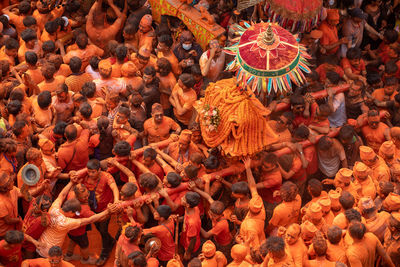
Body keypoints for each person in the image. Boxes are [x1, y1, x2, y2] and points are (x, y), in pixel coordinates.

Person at [37, 181, 111, 257]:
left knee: (73, 240)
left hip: (40, 245)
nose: (87, 197)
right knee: (84, 245)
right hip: (49, 253)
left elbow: (62, 195)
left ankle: (69, 255)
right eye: (75, 213)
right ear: (71, 212)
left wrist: (71, 182)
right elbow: (91, 220)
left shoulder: (54, 208)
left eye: (87, 194)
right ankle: (86, 259)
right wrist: (108, 211)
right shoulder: (66, 222)